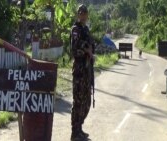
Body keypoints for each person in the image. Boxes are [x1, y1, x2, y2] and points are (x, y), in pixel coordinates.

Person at [70, 4, 94, 140]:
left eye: (85, 13)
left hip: (87, 71)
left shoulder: (86, 29)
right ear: (78, 14)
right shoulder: (75, 30)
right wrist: (86, 52)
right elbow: (74, 50)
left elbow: (91, 46)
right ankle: (75, 132)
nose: (83, 15)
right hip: (79, 71)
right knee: (78, 102)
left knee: (86, 102)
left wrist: (90, 53)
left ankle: (79, 128)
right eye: (81, 13)